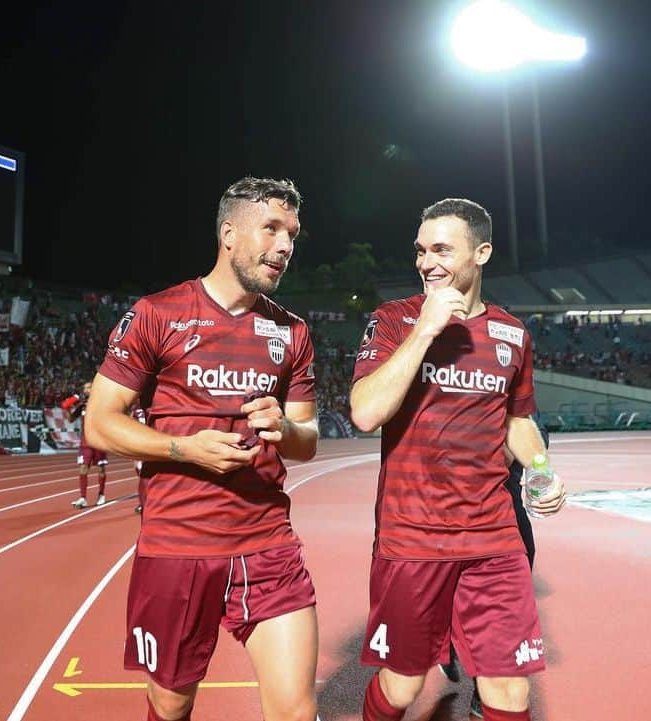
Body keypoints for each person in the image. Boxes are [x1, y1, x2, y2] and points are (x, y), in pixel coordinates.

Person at [85, 176, 320, 721]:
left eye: (292, 234)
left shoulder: (293, 332)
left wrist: (284, 429)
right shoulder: (157, 313)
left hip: (268, 545)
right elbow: (100, 423)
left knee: (297, 712)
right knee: (170, 707)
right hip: (177, 548)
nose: (285, 246)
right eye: (272, 229)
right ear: (229, 233)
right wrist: (184, 450)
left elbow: (307, 442)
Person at [349, 199, 567, 721]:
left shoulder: (512, 334)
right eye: (421, 251)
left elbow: (517, 421)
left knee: (510, 693)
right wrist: (425, 330)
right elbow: (365, 412)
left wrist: (540, 470)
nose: (427, 262)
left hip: (494, 537)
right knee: (402, 687)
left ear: (481, 253)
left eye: (442, 249)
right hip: (413, 538)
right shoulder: (392, 320)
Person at [438, 429, 550, 718]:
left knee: (502, 614)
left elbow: (531, 457)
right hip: (465, 510)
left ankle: (481, 687)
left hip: (508, 506)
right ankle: (445, 638)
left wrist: (544, 471)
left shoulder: (526, 406)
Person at [61, 381, 108, 508]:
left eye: (90, 387)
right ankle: (83, 497)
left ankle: (101, 494)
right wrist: (66, 409)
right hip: (85, 441)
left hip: (98, 441)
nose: (87, 390)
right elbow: (71, 419)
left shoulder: (101, 403)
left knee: (101, 469)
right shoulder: (82, 405)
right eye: (85, 388)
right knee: (83, 468)